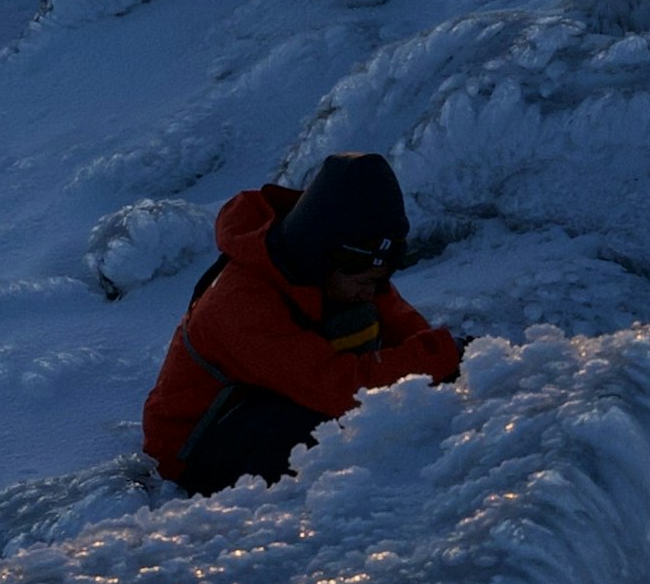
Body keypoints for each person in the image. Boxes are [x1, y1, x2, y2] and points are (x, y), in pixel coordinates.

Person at [143, 153, 463, 489]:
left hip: (266, 399)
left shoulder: (343, 273)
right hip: (194, 450)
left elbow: (408, 331)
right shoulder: (241, 303)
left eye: (379, 280)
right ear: (322, 257)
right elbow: (338, 387)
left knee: (363, 363)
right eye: (365, 280)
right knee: (326, 427)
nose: (372, 291)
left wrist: (446, 363)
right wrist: (436, 357)